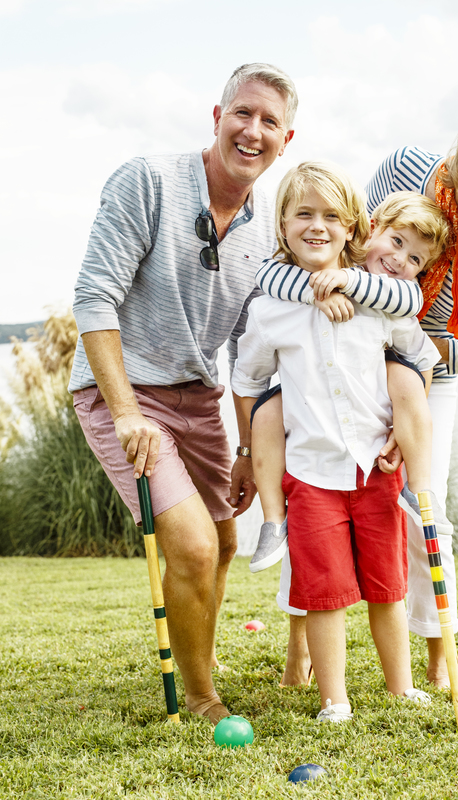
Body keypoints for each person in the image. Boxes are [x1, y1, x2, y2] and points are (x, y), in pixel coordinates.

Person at [262, 94, 458, 688]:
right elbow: (344, 248)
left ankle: (436, 652)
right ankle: (300, 645)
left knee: (425, 508)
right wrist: (344, 319)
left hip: (429, 377)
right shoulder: (405, 168)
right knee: (313, 494)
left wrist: (418, 355)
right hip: (342, 357)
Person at [68, 63, 297, 723]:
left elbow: (247, 351)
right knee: (193, 547)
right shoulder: (147, 181)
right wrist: (125, 414)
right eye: (242, 113)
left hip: (200, 399)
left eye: (269, 122)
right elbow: (94, 299)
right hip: (124, 394)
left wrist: (249, 451)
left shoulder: (269, 228)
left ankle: (202, 654)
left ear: (286, 140)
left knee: (223, 544)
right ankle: (200, 697)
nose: (252, 131)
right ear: (218, 116)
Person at [231, 161, 440, 720]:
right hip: (311, 476)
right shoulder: (271, 309)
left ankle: (401, 686)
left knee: (387, 586)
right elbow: (247, 379)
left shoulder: (379, 301)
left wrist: (402, 426)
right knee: (323, 594)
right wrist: (252, 445)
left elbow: (421, 354)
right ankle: (334, 699)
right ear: (283, 225)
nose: (317, 226)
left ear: (352, 228)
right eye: (303, 214)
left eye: (331, 216)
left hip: (375, 471)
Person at [248, 191, 453, 579]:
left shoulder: (396, 292)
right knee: (267, 412)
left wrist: (403, 427)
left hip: (375, 387)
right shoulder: (334, 256)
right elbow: (267, 274)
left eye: (415, 260)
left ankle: (420, 490)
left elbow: (413, 312)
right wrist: (318, 292)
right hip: (317, 395)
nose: (400, 260)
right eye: (396, 242)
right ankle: (273, 521)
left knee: (407, 379)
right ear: (371, 230)